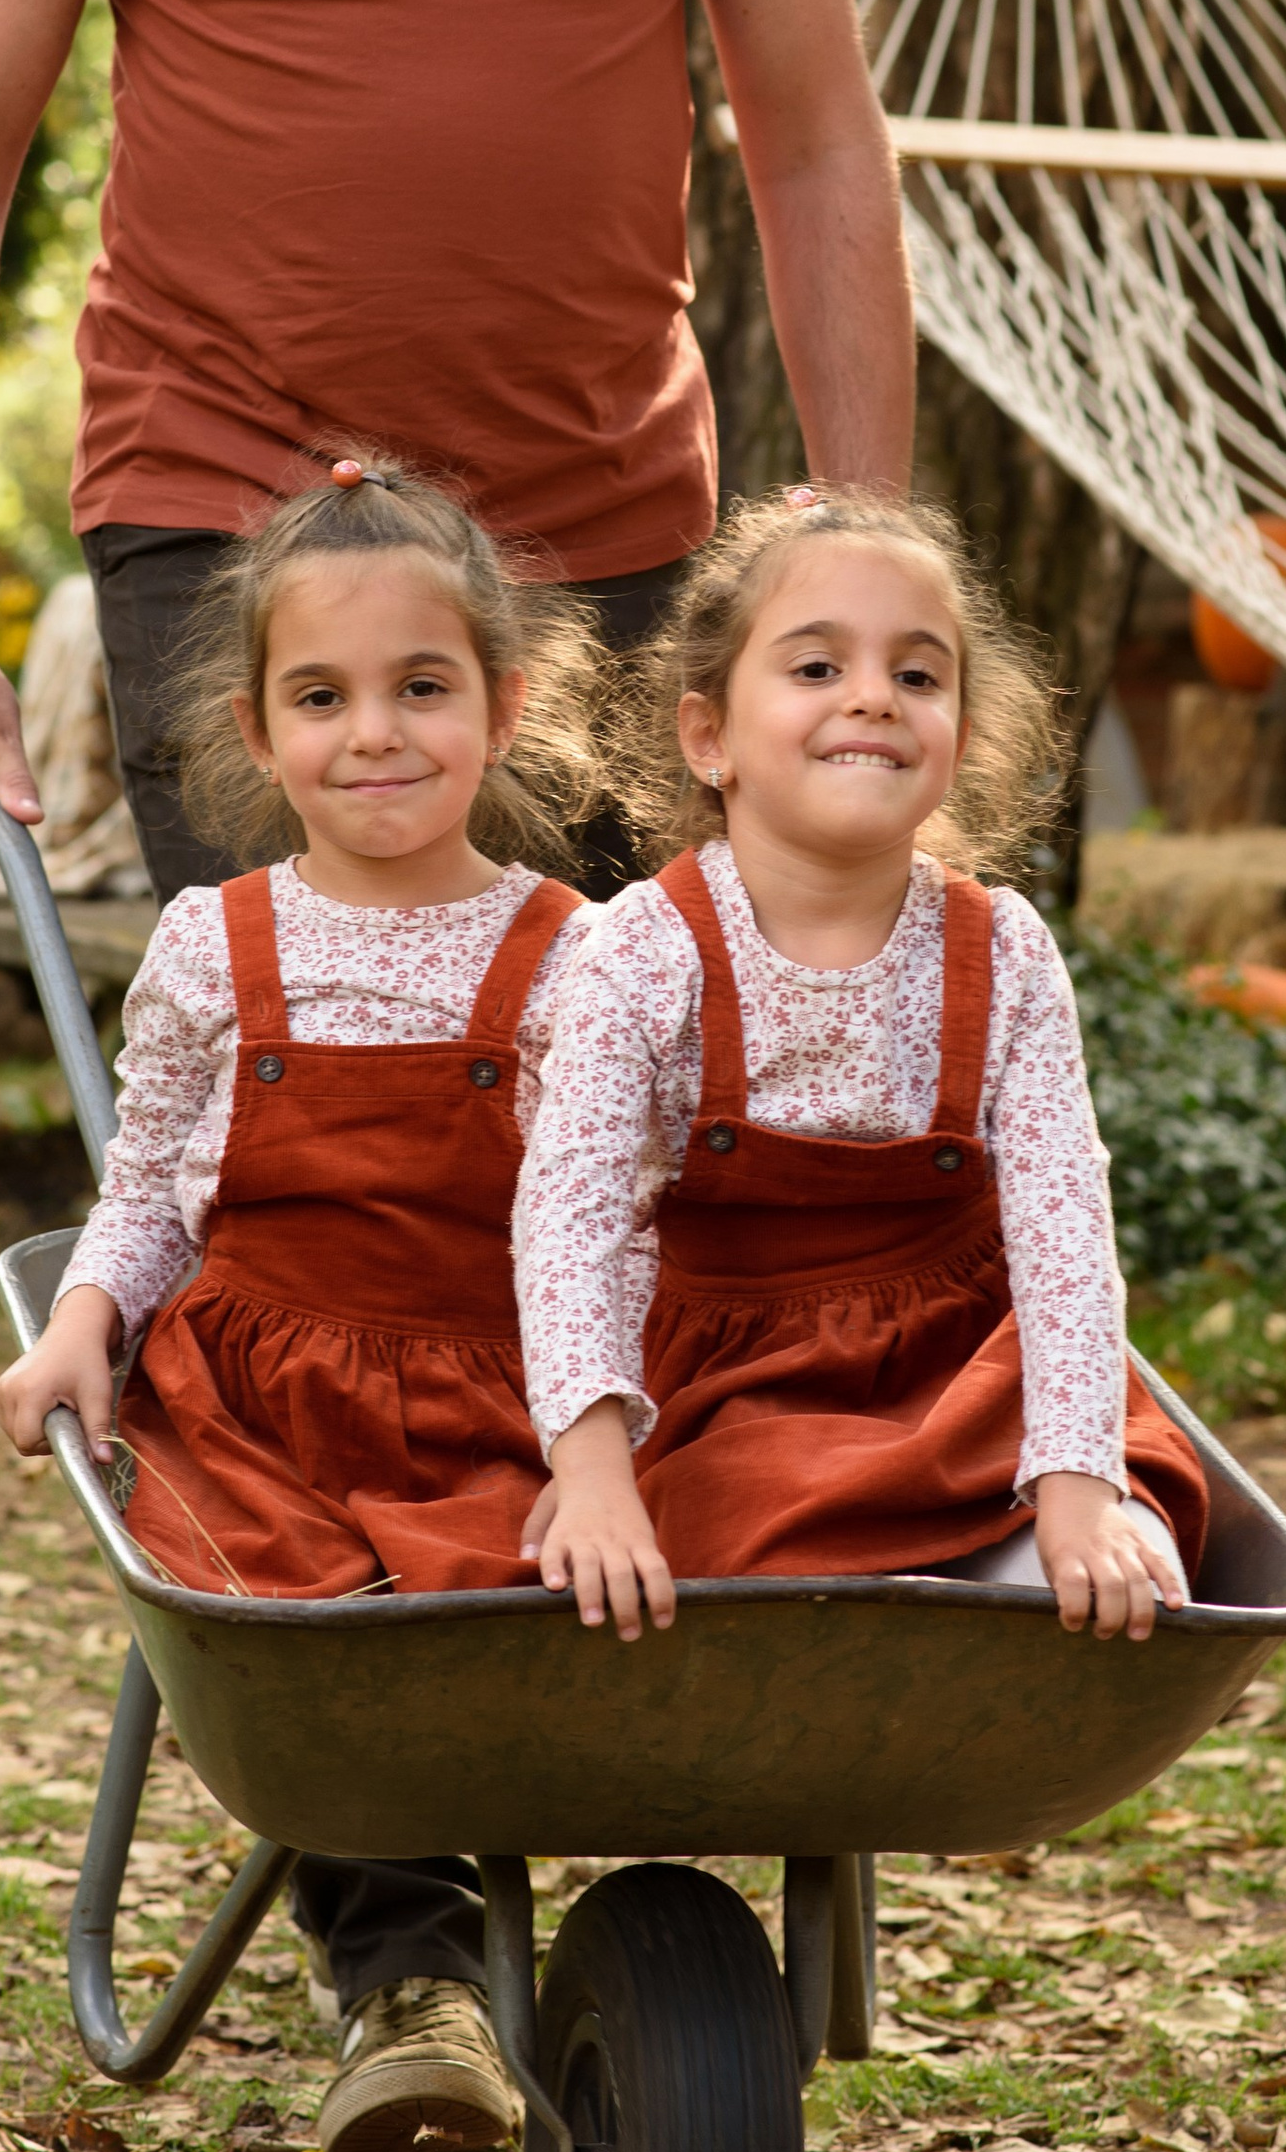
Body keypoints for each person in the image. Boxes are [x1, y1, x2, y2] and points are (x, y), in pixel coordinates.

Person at [0, 0, 915, 2152]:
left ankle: (616, 1771)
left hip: (612, 547)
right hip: (242, 550)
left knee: (664, 1171)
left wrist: (845, 570)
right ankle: (406, 1931)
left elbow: (813, 135)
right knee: (347, 1187)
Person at [0, 460, 600, 2152]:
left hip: (498, 1381)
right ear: (259, 737)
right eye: (322, 698)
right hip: (267, 1393)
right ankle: (410, 1986)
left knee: (539, 1600)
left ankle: (626, 1952)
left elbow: (605, 1218)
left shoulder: (577, 949)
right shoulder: (213, 940)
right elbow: (152, 1191)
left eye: (423, 688)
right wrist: (85, 1324)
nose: (376, 735)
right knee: (304, 1638)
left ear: (503, 707)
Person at [510, 486, 1208, 1641]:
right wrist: (588, 1468)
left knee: (1119, 1563)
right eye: (816, 668)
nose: (873, 696)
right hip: (742, 1385)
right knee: (741, 1538)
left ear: (961, 739)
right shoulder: (643, 945)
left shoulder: (1003, 953)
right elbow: (568, 1221)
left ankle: (1003, 1575)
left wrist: (1079, 1481)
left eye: (918, 675)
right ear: (709, 737)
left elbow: (1063, 1230)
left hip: (957, 1373)